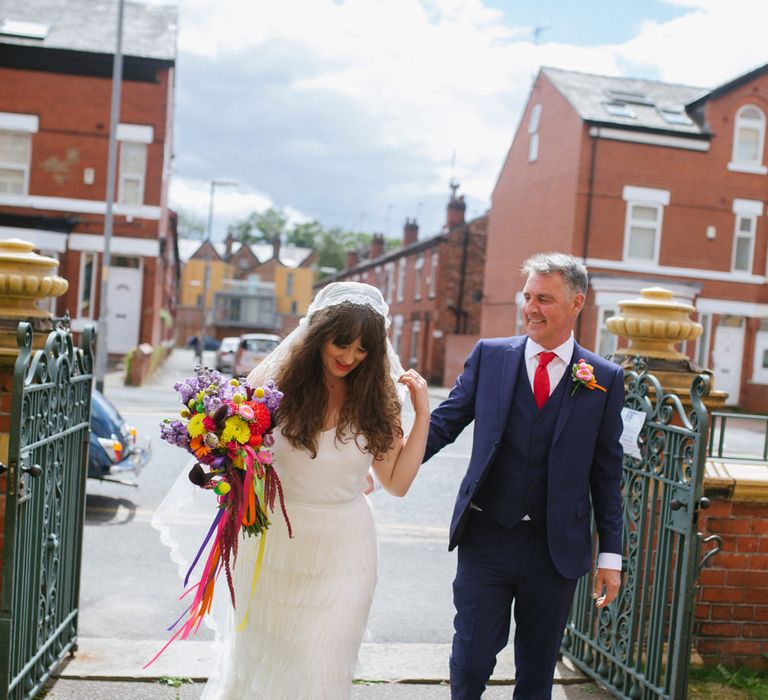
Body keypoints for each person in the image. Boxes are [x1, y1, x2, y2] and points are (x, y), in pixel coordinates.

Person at [181, 281, 430, 699]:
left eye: (363, 350)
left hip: (345, 553)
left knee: (322, 668)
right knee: (263, 658)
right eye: (342, 344)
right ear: (318, 335)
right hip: (274, 543)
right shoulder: (272, 383)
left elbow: (397, 483)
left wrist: (422, 413)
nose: (350, 357)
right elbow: (239, 453)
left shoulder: (379, 400)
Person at [424, 253, 624, 699]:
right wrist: (383, 465)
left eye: (545, 299)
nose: (531, 308)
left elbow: (608, 475)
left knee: (536, 674)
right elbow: (443, 425)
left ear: (577, 303)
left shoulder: (604, 379)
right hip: (487, 536)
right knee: (471, 659)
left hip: (555, 552)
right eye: (528, 296)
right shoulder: (491, 357)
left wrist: (612, 555)